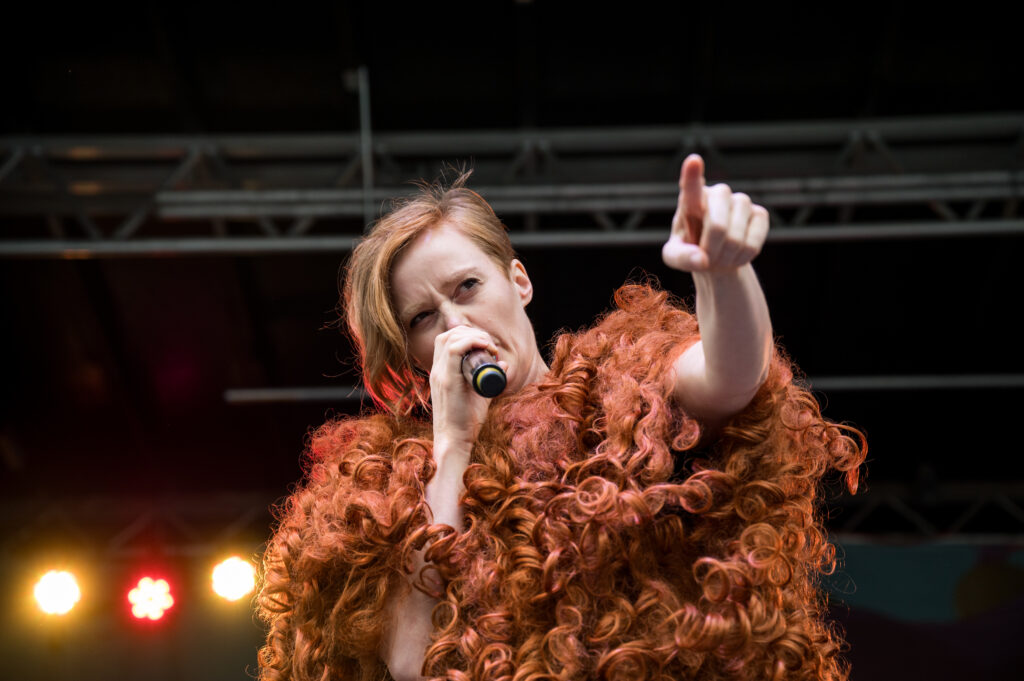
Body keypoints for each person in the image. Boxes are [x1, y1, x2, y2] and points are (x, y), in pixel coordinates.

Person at [256, 155, 867, 681]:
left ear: (517, 281)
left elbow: (732, 376)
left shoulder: (617, 380)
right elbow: (412, 662)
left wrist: (724, 273)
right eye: (422, 317)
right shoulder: (388, 486)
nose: (454, 323)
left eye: (466, 286)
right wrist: (453, 447)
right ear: (412, 355)